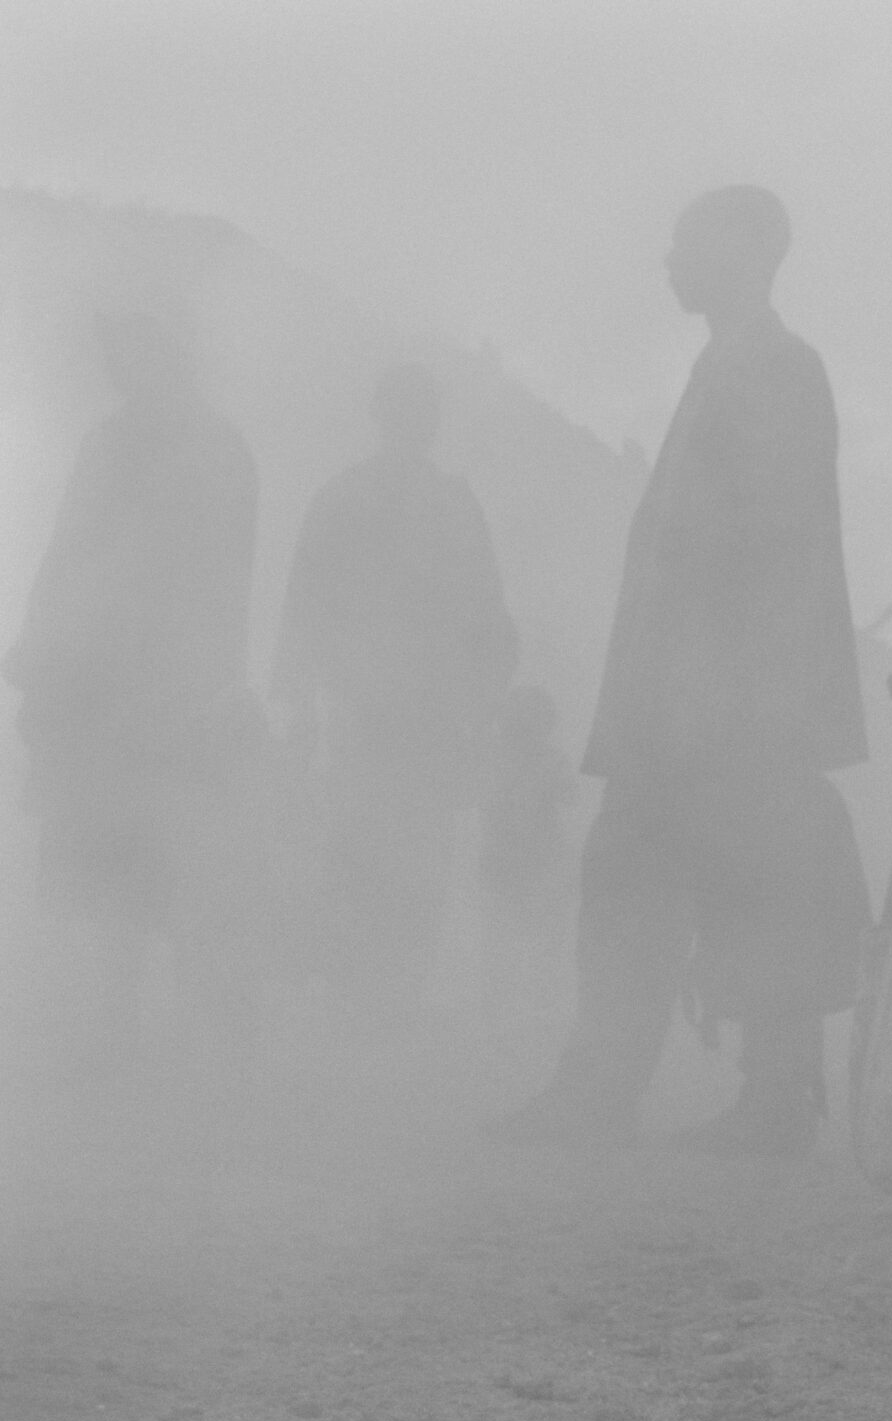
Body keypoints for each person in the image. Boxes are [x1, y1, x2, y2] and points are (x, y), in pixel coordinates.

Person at [491, 185, 868, 1154]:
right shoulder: (731, 364)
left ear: (743, 251)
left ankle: (758, 1100)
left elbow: (780, 551)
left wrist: (737, 702)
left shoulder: (779, 368)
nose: (669, 262)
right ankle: (626, 1088)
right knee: (655, 879)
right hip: (685, 699)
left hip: (728, 706)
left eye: (685, 244)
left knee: (738, 884)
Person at [5, 310, 264, 1064]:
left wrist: (203, 685)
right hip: (95, 690)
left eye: (130, 354)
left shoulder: (217, 450)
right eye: (111, 357)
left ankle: (211, 1045)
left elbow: (226, 581)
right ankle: (107, 1034)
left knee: (189, 868)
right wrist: (41, 655)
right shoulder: (106, 444)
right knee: (104, 868)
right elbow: (67, 552)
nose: (118, 371)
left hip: (176, 695)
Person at [273, 364, 519, 1017]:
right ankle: (360, 996)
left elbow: (486, 613)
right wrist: (297, 700)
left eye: (424, 410)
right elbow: (305, 604)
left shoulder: (448, 504)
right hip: (363, 714)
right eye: (406, 409)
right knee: (358, 856)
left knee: (417, 863)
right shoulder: (345, 500)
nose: (417, 422)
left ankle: (395, 999)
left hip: (428, 720)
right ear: (384, 416)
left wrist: (486, 697)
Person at [476, 683, 579, 1035]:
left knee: (529, 939)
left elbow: (569, 796)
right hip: (512, 860)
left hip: (537, 861)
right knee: (504, 938)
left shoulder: (538, 758)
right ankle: (501, 1011)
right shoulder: (497, 754)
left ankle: (529, 1012)